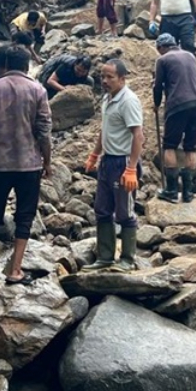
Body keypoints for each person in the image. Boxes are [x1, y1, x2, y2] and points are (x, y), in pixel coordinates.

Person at [0, 46, 52, 286]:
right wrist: (47, 161)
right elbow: (44, 131)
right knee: (25, 217)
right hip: (28, 165)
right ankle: (15, 270)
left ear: (4, 65)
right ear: (27, 66)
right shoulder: (38, 90)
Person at [83, 59, 143, 272]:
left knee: (125, 212)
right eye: (103, 76)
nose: (105, 81)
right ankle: (105, 256)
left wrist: (132, 168)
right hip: (107, 161)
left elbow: (138, 135)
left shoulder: (129, 101)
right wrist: (94, 154)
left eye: (110, 77)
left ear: (122, 78)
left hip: (123, 161)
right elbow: (105, 129)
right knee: (102, 209)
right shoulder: (108, 99)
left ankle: (128, 258)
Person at [152, 34, 196, 203]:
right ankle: (188, 193)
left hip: (177, 105)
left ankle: (172, 190)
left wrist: (156, 103)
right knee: (191, 147)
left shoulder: (163, 60)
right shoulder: (189, 55)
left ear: (161, 47)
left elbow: (158, 85)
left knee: (170, 146)